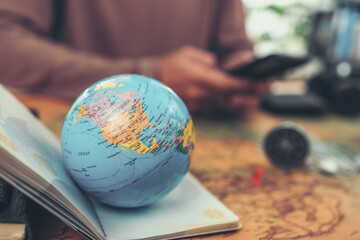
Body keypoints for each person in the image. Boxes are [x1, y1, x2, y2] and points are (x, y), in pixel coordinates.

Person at [0, 0, 266, 114]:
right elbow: (7, 44)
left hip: (191, 142)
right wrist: (149, 78)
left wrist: (240, 73)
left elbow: (233, 47)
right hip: (79, 134)